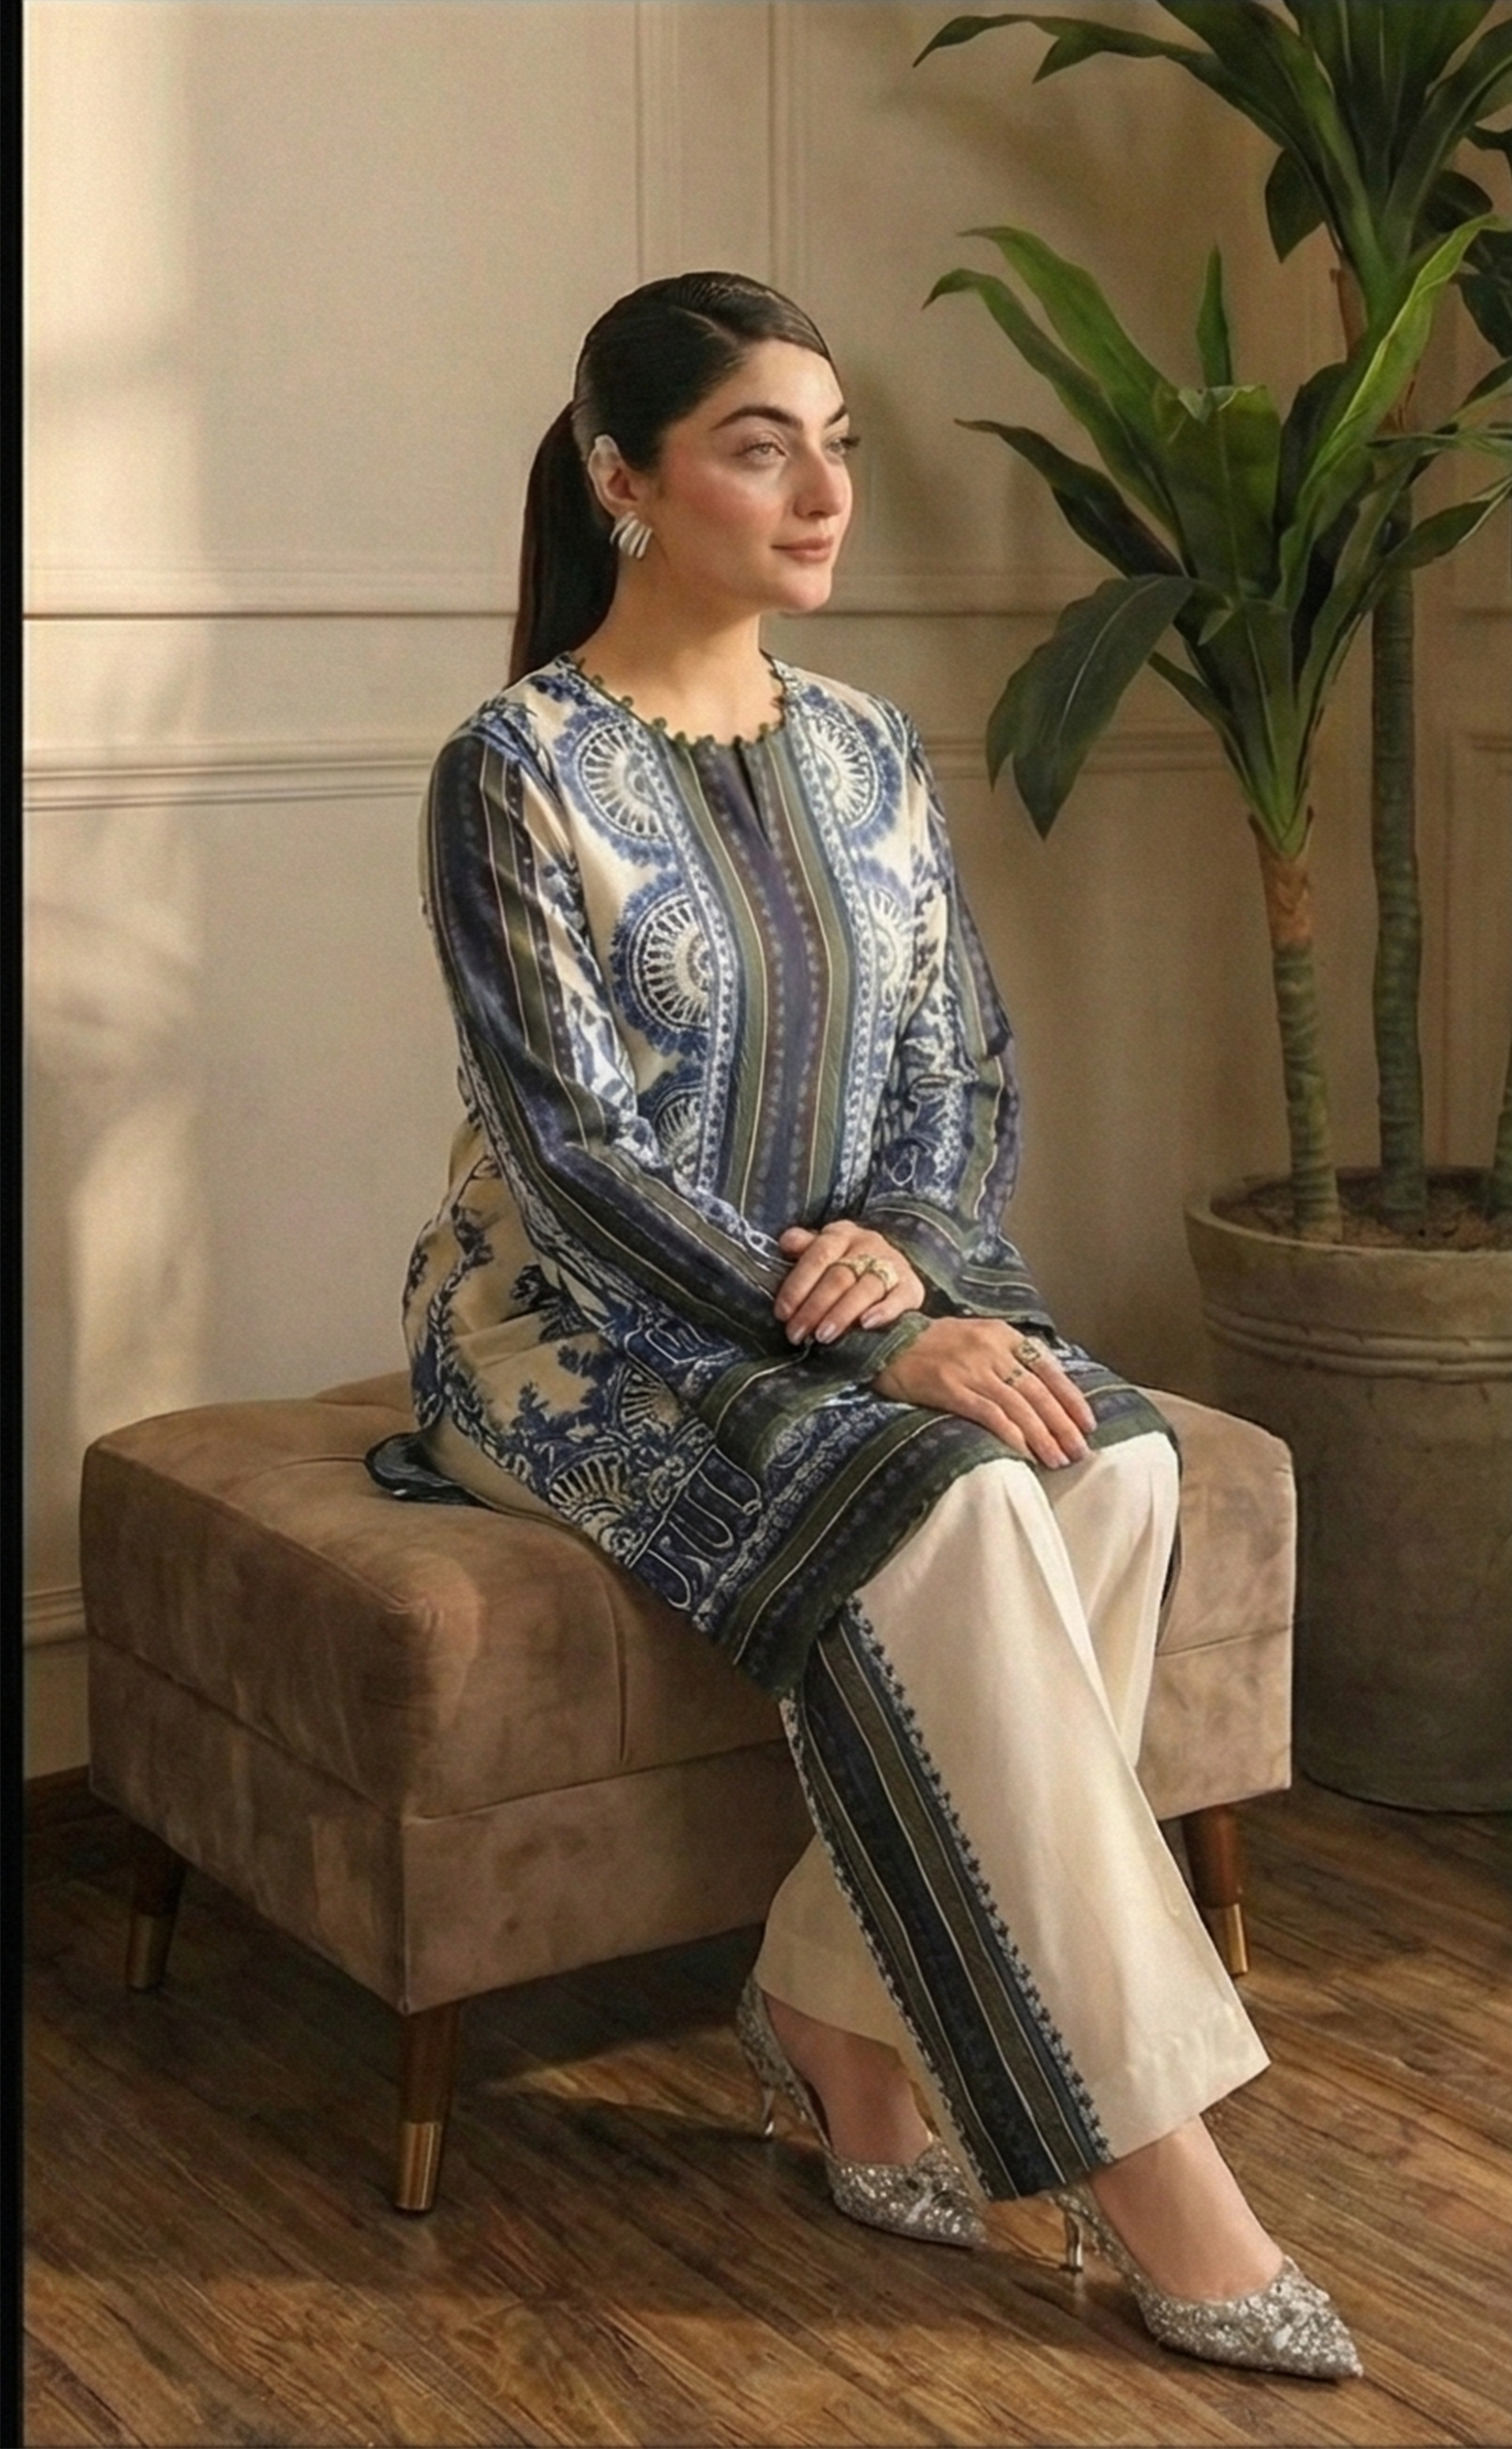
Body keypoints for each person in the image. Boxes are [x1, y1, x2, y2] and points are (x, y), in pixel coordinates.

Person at [389, 271, 1361, 2381]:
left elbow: (958, 1072)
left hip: (857, 1283)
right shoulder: (514, 768)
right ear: (624, 480)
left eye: (836, 444)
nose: (824, 489)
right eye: (760, 447)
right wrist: (845, 1332)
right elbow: (571, 1150)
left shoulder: (861, 747)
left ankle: (832, 2015)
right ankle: (1148, 2159)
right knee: (954, 1501)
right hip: (573, 1327)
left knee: (1106, 1461)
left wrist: (903, 1268)